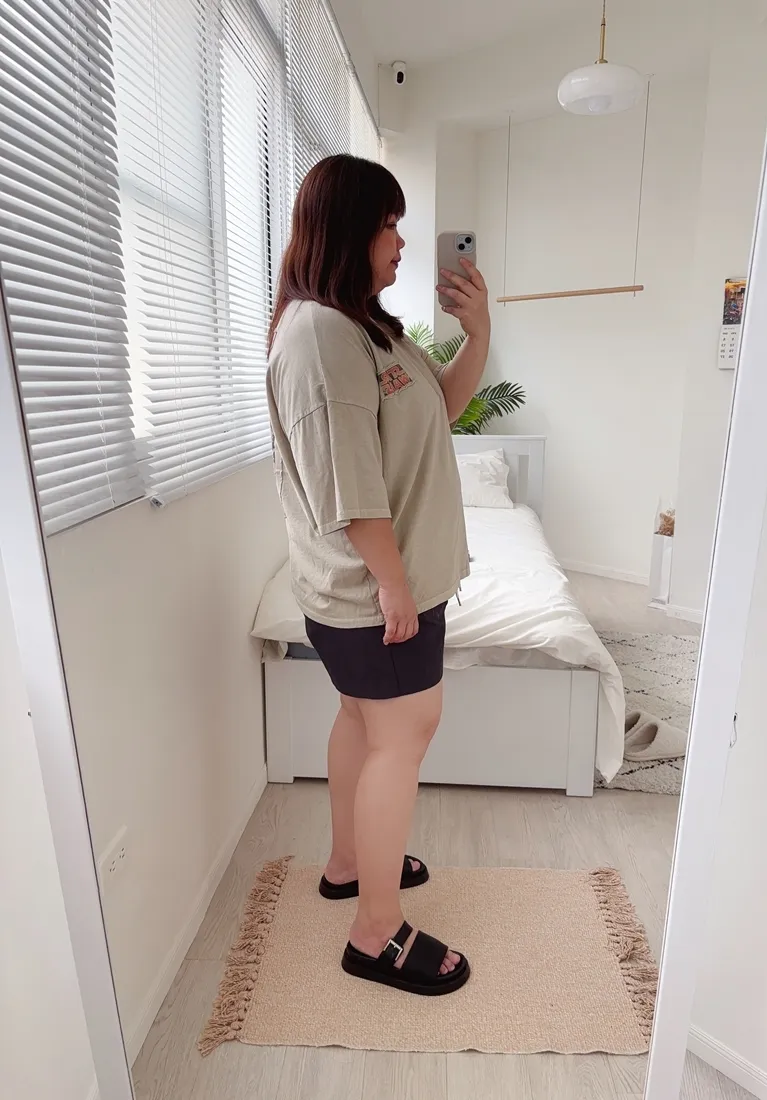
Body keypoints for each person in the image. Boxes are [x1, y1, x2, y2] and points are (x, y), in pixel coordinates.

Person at [267, 154, 490, 996]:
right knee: (405, 733)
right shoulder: (320, 336)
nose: (401, 241)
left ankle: (349, 864)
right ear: (348, 228)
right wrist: (393, 586)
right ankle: (375, 931)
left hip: (376, 586)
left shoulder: (367, 326)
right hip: (372, 592)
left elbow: (445, 408)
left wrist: (478, 334)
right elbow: (349, 486)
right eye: (389, 224)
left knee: (365, 723)